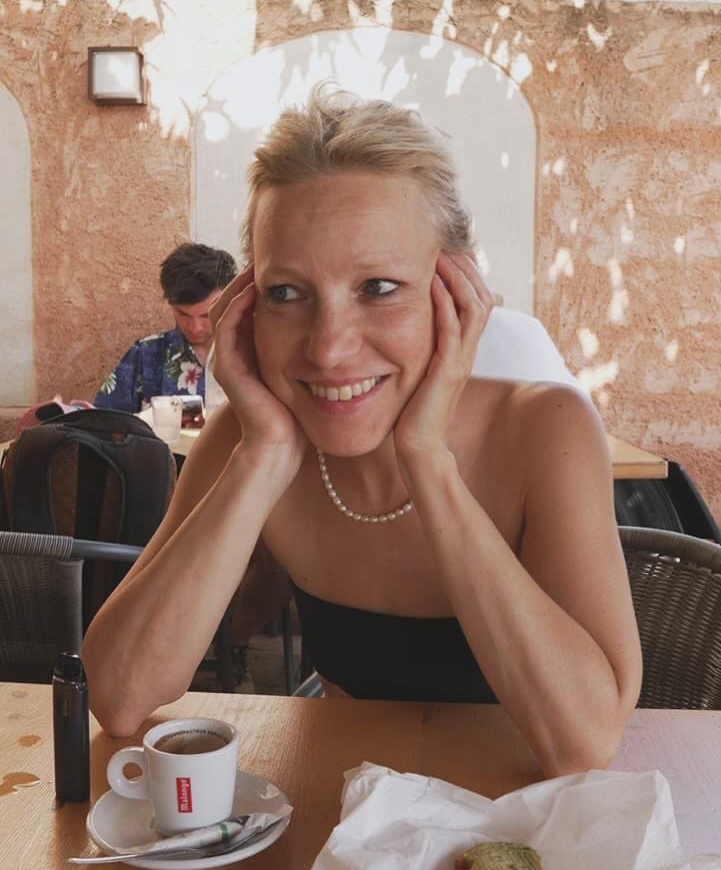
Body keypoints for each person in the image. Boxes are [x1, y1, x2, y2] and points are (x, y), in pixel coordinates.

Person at [83, 86, 642, 778]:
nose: (327, 349)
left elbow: (582, 742)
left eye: (378, 287)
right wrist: (264, 456)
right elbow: (120, 695)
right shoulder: (248, 440)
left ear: (457, 292)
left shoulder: (545, 430)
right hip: (347, 807)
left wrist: (426, 460)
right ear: (247, 307)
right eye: (287, 293)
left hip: (520, 818)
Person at [94, 243, 237, 413]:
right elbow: (105, 420)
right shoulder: (146, 354)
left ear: (229, 300)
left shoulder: (250, 354)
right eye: (183, 314)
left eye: (206, 315)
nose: (195, 327)